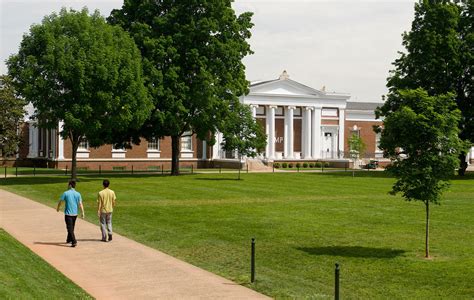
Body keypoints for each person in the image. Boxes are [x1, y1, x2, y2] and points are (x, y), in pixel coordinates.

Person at [56, 180, 84, 247]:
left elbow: (61, 201)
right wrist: (83, 212)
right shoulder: (78, 194)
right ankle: (69, 239)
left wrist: (58, 208)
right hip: (75, 214)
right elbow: (80, 204)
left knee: (69, 228)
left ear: (70, 185)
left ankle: (74, 241)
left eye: (68, 184)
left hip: (68, 214)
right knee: (71, 227)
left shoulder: (66, 193)